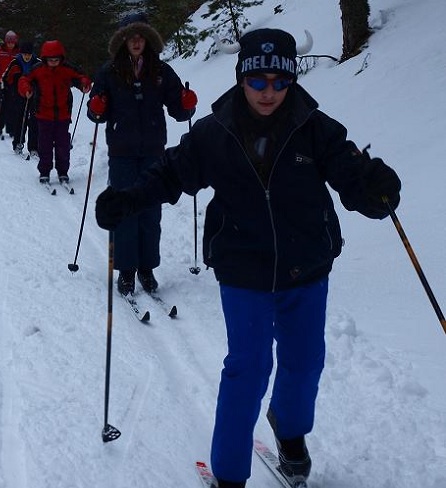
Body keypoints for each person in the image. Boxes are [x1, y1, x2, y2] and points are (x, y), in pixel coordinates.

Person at [94, 28, 401, 488]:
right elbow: (172, 172)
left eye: (280, 81)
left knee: (304, 360)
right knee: (249, 365)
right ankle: (231, 474)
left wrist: (374, 190)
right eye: (259, 82)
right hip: (243, 266)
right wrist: (129, 197)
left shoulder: (313, 126)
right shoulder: (216, 132)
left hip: (307, 263)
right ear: (242, 79)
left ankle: (290, 431)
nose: (269, 92)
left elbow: (348, 171)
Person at [87, 12, 197, 296]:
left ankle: (146, 269)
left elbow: (178, 110)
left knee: (150, 211)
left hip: (153, 152)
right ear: (123, 40)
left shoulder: (161, 71)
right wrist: (96, 108)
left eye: (141, 37)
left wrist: (187, 105)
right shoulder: (108, 72)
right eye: (131, 37)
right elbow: (95, 113)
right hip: (121, 152)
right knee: (123, 210)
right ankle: (126, 271)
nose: (136, 42)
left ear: (147, 40)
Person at [18, 40, 91, 183]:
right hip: (43, 115)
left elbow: (81, 76)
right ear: (45, 59)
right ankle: (44, 171)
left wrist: (84, 84)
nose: (53, 62)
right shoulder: (38, 69)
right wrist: (26, 89)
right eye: (50, 60)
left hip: (63, 115)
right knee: (44, 145)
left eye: (56, 60)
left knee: (62, 145)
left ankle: (63, 171)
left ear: (61, 58)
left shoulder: (67, 69)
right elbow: (24, 79)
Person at [3, 40, 39, 155]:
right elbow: (6, 78)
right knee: (20, 120)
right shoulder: (15, 63)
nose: (27, 57)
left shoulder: (38, 63)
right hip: (18, 96)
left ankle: (34, 147)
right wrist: (7, 90)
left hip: (34, 97)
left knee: (34, 121)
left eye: (29, 54)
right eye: (25, 54)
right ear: (21, 54)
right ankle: (18, 143)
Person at [0, 30, 20, 137]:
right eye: (8, 42)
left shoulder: (18, 53)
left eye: (12, 42)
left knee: (12, 106)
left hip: (13, 83)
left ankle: (11, 129)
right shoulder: (0, 52)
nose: (10, 44)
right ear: (6, 42)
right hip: (0, 82)